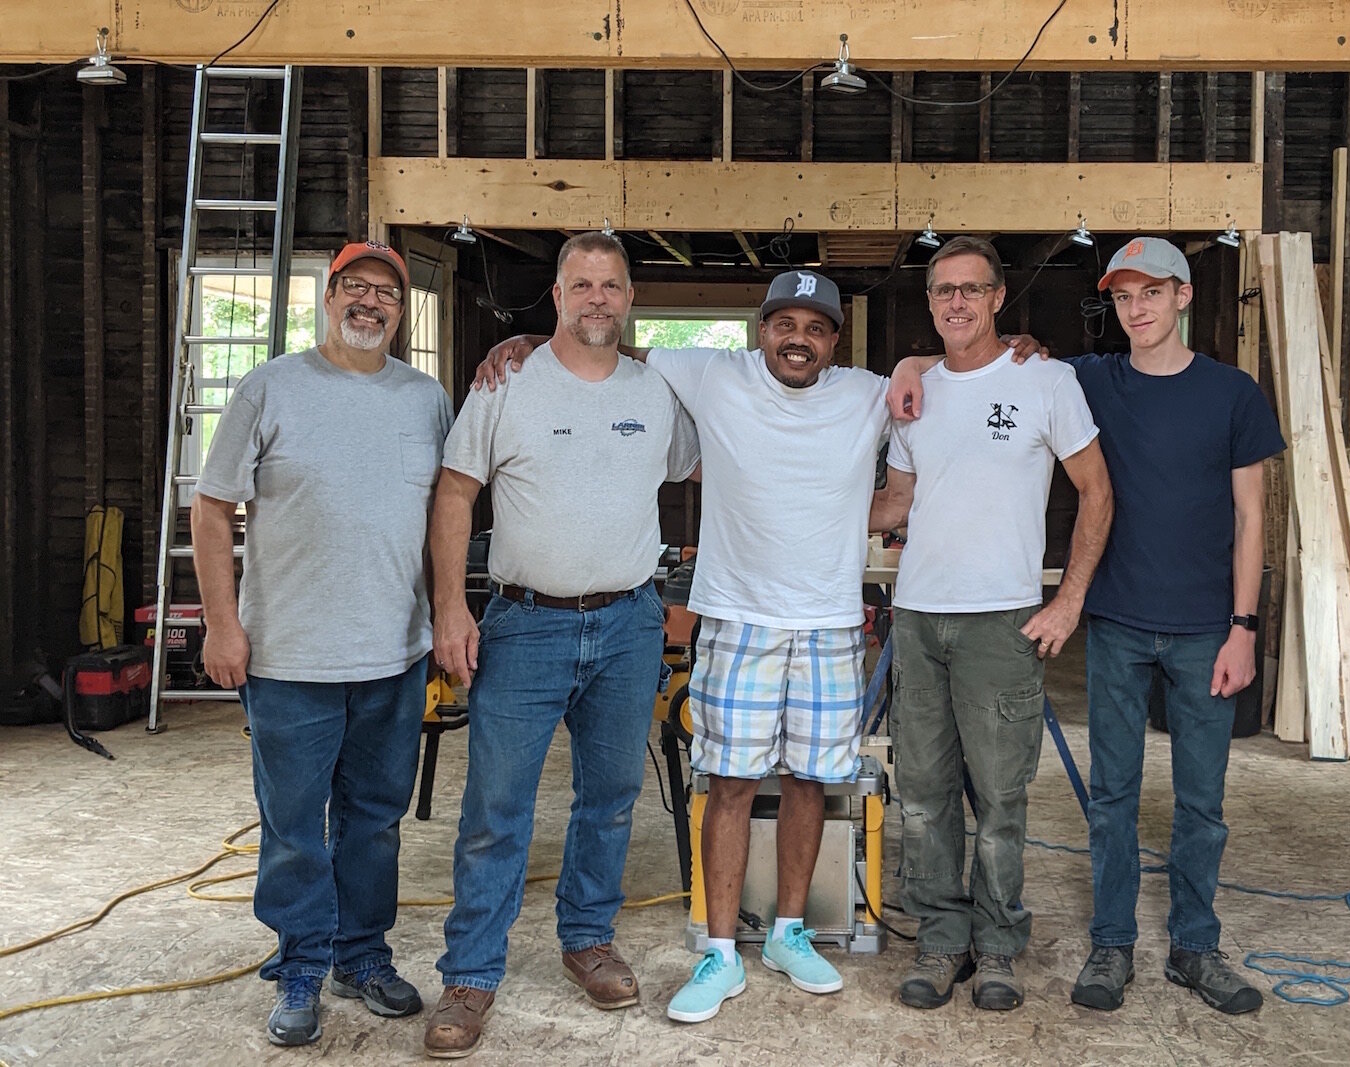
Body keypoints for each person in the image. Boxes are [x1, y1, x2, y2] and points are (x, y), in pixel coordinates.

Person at [475, 272, 1047, 1024]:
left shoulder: (868, 392)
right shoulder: (712, 372)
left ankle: (788, 932)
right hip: (739, 618)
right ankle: (719, 950)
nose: (797, 338)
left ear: (835, 342)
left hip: (829, 621)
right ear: (760, 329)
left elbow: (956, 375)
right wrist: (529, 344)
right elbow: (609, 344)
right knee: (732, 782)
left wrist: (995, 349)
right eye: (784, 323)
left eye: (815, 327)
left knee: (813, 780)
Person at [893, 235, 1282, 1016]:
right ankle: (1111, 943)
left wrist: (1245, 625)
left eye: (1152, 293)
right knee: (1110, 796)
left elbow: (1250, 516)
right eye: (1124, 296)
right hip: (1119, 622)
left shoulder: (1231, 393)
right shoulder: (1086, 376)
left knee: (1201, 801)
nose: (1137, 309)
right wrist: (907, 365)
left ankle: (1195, 947)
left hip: (1206, 625)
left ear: (1182, 297)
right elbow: (985, 365)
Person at [422, 232, 699, 1059]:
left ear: (629, 298)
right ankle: (471, 972)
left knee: (610, 796)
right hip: (524, 620)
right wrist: (448, 607)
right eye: (581, 284)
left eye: (611, 285)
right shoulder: (506, 383)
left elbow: (700, 472)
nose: (597, 298)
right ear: (556, 295)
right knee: (496, 810)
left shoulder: (655, 392)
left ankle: (587, 938)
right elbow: (454, 495)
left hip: (628, 622)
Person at [192, 240, 450, 1046]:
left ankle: (361, 953)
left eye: (387, 293)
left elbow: (447, 512)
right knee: (296, 820)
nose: (370, 303)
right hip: (288, 656)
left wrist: (444, 616)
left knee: (374, 818)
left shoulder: (425, 398)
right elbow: (210, 509)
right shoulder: (270, 387)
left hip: (395, 653)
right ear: (329, 296)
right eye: (356, 288)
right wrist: (222, 624)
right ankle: (301, 959)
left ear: (400, 312)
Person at [869, 236, 1113, 1012]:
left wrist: (1068, 600)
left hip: (1003, 620)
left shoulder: (1046, 381)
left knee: (1002, 797)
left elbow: (1097, 493)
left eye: (972, 289)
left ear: (999, 298)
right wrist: (792, 499)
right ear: (931, 300)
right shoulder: (916, 392)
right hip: (918, 616)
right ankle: (943, 938)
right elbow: (895, 504)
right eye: (944, 290)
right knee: (926, 790)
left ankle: (1000, 943)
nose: (957, 302)